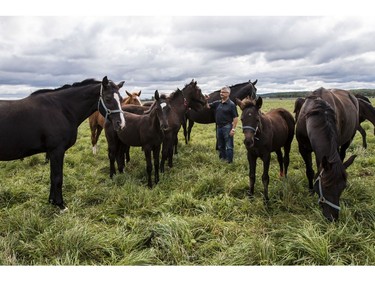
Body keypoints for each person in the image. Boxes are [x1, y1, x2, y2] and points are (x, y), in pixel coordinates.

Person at [207, 86, 239, 163]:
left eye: (223, 92)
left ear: (228, 93)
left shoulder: (231, 105)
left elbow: (235, 118)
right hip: (219, 127)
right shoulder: (218, 103)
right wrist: (206, 100)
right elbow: (208, 106)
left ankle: (229, 162)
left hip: (227, 127)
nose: (221, 93)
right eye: (221, 92)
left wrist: (233, 129)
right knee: (220, 145)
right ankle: (222, 159)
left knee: (229, 146)